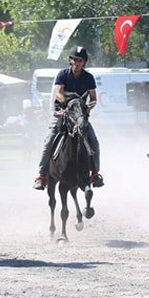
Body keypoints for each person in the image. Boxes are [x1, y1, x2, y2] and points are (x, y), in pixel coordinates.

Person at [33, 46, 103, 190]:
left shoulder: (89, 78)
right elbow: (58, 93)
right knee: (49, 141)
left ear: (84, 62)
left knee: (94, 141)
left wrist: (87, 108)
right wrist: (66, 104)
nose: (77, 63)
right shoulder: (63, 74)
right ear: (70, 60)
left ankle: (95, 173)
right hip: (62, 113)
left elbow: (93, 98)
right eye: (74, 59)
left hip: (80, 117)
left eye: (80, 60)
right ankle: (42, 176)